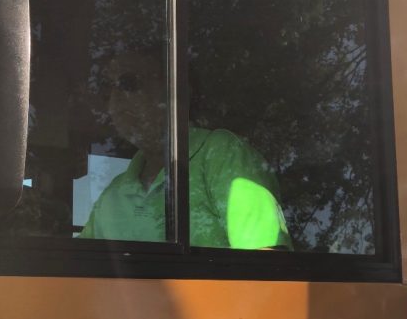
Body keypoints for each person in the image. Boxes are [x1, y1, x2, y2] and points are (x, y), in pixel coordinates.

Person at [79, 49, 292, 250]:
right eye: (107, 91)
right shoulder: (113, 194)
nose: (115, 100)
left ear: (177, 90)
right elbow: (76, 273)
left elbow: (267, 269)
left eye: (128, 83)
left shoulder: (220, 154)